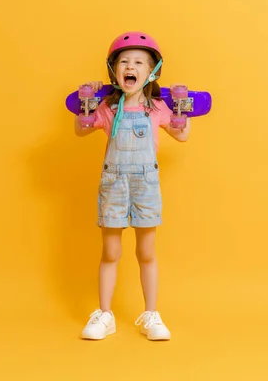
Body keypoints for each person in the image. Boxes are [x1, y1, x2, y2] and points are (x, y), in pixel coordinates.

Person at [74, 31, 191, 341]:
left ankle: (151, 315)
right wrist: (87, 101)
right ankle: (105, 315)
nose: (131, 65)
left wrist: (182, 108)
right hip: (113, 184)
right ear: (114, 70)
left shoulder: (157, 109)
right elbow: (81, 130)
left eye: (139, 61)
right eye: (124, 61)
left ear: (151, 72)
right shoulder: (109, 109)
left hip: (145, 185)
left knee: (146, 252)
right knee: (111, 251)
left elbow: (181, 135)